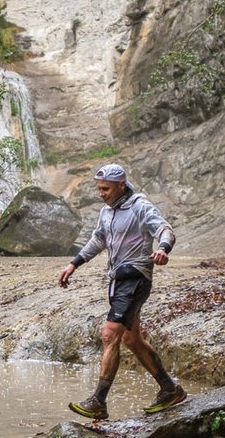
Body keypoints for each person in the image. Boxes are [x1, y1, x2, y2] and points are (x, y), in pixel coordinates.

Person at [58, 164, 187, 420]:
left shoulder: (140, 206)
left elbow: (164, 229)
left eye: (105, 189)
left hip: (136, 277)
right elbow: (98, 240)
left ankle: (99, 400)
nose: (101, 194)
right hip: (118, 281)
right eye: (99, 189)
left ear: (121, 185)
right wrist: (73, 264)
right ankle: (170, 390)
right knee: (131, 340)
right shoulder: (106, 212)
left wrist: (163, 249)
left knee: (109, 335)